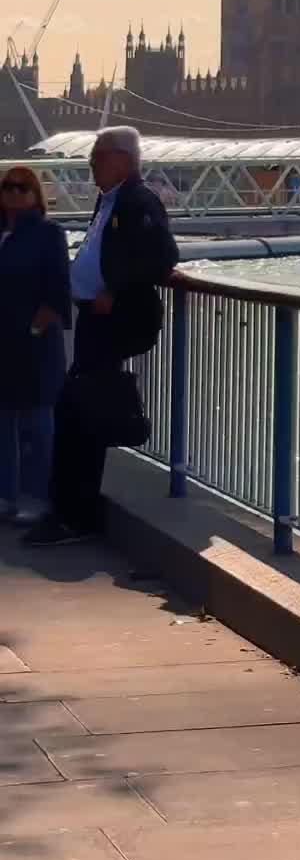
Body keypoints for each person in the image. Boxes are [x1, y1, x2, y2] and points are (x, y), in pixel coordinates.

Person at [26, 126, 178, 546]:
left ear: (122, 160)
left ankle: (75, 514)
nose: (91, 163)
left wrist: (114, 289)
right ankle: (72, 510)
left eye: (98, 156)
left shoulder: (137, 201)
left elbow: (163, 256)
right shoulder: (108, 200)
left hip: (118, 320)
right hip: (96, 319)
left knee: (80, 411)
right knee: (79, 408)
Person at [0, 166, 71, 524]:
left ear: (35, 195)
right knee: (2, 424)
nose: (13, 193)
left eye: (22, 188)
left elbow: (58, 290)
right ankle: (5, 495)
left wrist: (32, 330)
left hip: (33, 345)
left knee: (37, 424)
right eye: (7, 187)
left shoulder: (48, 233)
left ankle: (38, 497)